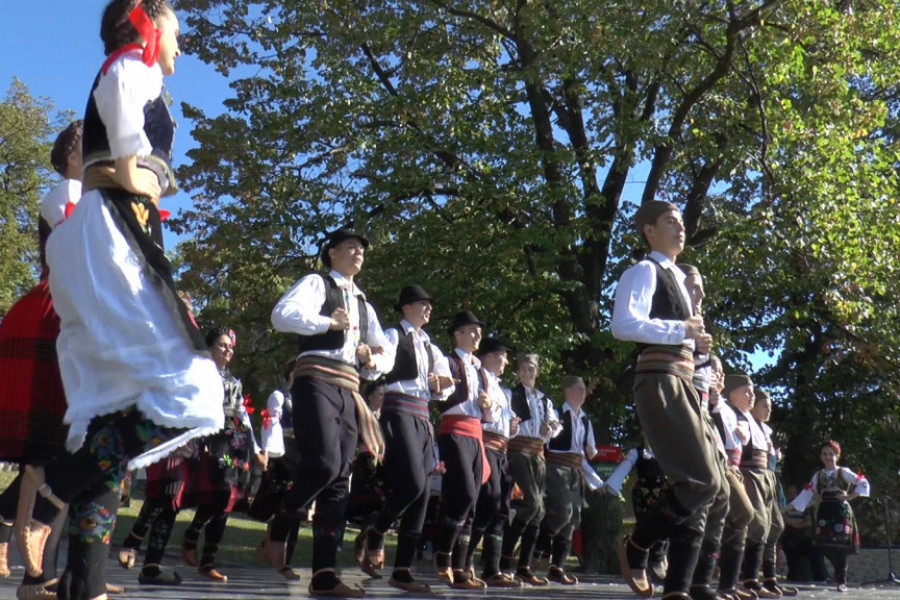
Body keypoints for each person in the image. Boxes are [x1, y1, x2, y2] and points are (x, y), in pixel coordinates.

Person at [13, 3, 225, 598]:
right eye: (176, 35)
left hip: (118, 233)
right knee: (193, 384)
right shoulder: (132, 64)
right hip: (116, 232)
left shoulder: (132, 67)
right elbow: (124, 131)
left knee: (110, 418)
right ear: (149, 27)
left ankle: (85, 584)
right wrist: (138, 175)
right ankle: (54, 485)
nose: (179, 49)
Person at [269, 226, 395, 598]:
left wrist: (373, 360)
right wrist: (328, 323)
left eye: (361, 249)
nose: (358, 253)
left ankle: (324, 574)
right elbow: (282, 315)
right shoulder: (317, 284)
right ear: (332, 252)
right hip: (316, 380)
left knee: (341, 479)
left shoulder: (363, 304)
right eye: (351, 247)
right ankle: (284, 517)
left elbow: (385, 353)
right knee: (323, 464)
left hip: (349, 388)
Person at [611, 200, 721, 599]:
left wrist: (697, 341)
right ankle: (637, 546)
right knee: (702, 480)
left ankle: (681, 586)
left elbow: (685, 334)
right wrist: (683, 329)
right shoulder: (645, 270)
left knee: (713, 486)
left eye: (681, 223)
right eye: (669, 222)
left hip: (685, 382)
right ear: (648, 230)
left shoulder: (679, 279)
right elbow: (622, 325)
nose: (680, 228)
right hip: (660, 379)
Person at [0, 120, 83, 597]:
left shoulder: (86, 193)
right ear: (71, 153)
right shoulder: (66, 192)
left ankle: (45, 569)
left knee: (60, 446)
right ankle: (35, 567)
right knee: (48, 443)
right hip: (54, 314)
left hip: (70, 311)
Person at [354, 285, 453, 593]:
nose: (429, 310)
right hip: (399, 411)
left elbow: (446, 386)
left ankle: (402, 570)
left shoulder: (430, 346)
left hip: (423, 417)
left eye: (429, 305)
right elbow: (379, 366)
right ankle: (378, 529)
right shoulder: (394, 335)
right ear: (407, 307)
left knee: (423, 495)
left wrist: (441, 384)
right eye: (424, 304)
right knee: (411, 483)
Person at [180, 328, 264, 582]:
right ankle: (192, 535)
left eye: (230, 347)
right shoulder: (199, 375)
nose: (228, 350)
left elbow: (242, 415)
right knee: (217, 493)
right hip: (208, 441)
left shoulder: (234, 382)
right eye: (222, 345)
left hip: (233, 445)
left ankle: (207, 560)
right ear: (210, 347)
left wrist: (256, 449)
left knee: (227, 497)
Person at [432, 310, 493, 589]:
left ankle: (461, 568)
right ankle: (442, 550)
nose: (477, 335)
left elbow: (488, 414)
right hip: (454, 431)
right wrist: (443, 385)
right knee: (465, 493)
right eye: (471, 330)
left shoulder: (482, 370)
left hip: (475, 433)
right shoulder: (447, 361)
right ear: (457, 334)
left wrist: (487, 405)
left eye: (478, 331)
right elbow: (440, 395)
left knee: (473, 502)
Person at [462, 337, 522, 588]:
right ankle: (464, 560)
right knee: (489, 501)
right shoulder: (479, 378)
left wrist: (513, 427)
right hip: (484, 446)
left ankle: (492, 567)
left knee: (501, 508)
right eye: (501, 356)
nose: (505, 361)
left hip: (502, 450)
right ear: (488, 356)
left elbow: (505, 425)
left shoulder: (502, 389)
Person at [499, 352, 562, 585]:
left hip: (538, 454)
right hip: (519, 452)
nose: (527, 373)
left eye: (531, 369)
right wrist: (512, 426)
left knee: (539, 511)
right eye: (523, 369)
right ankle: (505, 558)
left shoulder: (545, 400)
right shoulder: (510, 394)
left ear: (537, 371)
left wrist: (551, 430)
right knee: (533, 504)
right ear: (518, 372)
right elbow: (505, 422)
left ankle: (523, 566)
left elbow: (555, 427)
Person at [536, 375, 598, 585]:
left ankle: (557, 567)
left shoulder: (585, 418)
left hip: (576, 468)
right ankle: (542, 542)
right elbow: (548, 437)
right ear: (567, 391)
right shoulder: (556, 412)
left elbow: (591, 447)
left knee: (573, 519)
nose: (583, 392)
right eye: (579, 388)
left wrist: (591, 450)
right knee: (563, 511)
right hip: (557, 465)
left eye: (583, 389)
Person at [786, 440, 870, 592]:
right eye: (824, 454)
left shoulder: (843, 472)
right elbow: (806, 494)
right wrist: (787, 508)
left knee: (841, 547)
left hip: (840, 511)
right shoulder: (818, 476)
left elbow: (861, 481)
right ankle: (837, 574)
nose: (827, 457)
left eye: (831, 454)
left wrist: (851, 496)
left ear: (837, 456)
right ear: (821, 456)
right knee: (824, 546)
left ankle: (841, 580)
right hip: (825, 511)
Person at [252, 359, 303, 579]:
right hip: (283, 455)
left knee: (296, 509)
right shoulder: (280, 396)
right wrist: (268, 453)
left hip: (301, 457)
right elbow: (270, 424)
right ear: (290, 373)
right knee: (281, 503)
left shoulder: (309, 400)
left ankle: (283, 558)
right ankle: (277, 556)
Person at [751, 388, 797, 597]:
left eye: (770, 406)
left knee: (776, 526)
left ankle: (770, 579)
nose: (769, 409)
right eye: (764, 405)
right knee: (757, 529)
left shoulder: (766, 431)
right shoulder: (747, 425)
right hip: (754, 481)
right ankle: (749, 578)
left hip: (770, 481)